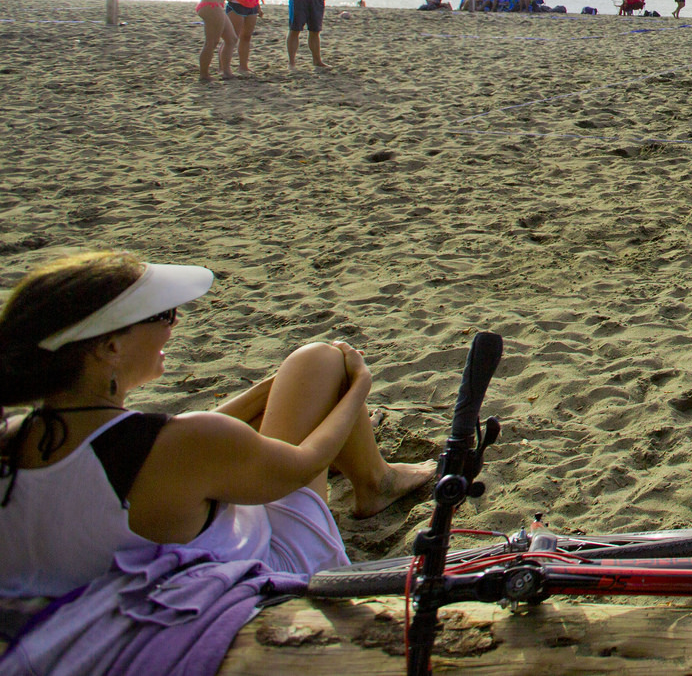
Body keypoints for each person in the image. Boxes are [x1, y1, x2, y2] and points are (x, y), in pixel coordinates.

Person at [0, 251, 435, 599]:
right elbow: (305, 462)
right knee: (321, 362)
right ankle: (376, 481)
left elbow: (164, 439)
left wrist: (272, 389)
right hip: (264, 576)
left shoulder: (17, 436)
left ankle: (376, 478)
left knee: (284, 392)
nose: (175, 324)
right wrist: (358, 384)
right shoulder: (181, 445)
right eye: (164, 315)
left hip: (106, 586)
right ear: (110, 346)